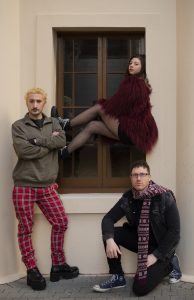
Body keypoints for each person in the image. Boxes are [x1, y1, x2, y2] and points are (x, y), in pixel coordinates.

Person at [11, 88, 79, 291]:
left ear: (43, 102)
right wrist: (49, 144)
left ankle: (57, 265)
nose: (35, 104)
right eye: (31, 101)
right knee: (25, 228)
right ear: (27, 103)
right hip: (24, 185)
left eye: (38, 101)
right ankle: (31, 269)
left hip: (48, 185)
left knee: (60, 222)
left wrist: (38, 141)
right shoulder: (18, 126)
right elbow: (23, 151)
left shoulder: (54, 123)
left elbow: (62, 141)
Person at [92, 160, 181, 296]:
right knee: (111, 233)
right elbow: (108, 218)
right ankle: (118, 277)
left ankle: (170, 265)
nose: (138, 178)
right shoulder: (129, 197)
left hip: (161, 248)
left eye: (142, 174)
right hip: (141, 241)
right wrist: (109, 239)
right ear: (131, 178)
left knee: (139, 289)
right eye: (135, 175)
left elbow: (174, 232)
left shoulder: (164, 196)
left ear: (149, 177)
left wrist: (156, 256)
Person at [51, 55, 158, 159]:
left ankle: (65, 124)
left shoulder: (134, 85)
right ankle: (64, 152)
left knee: (99, 107)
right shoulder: (139, 84)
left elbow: (116, 106)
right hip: (132, 134)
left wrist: (102, 106)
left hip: (129, 130)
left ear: (142, 67)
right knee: (92, 126)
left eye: (136, 64)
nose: (131, 65)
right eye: (130, 63)